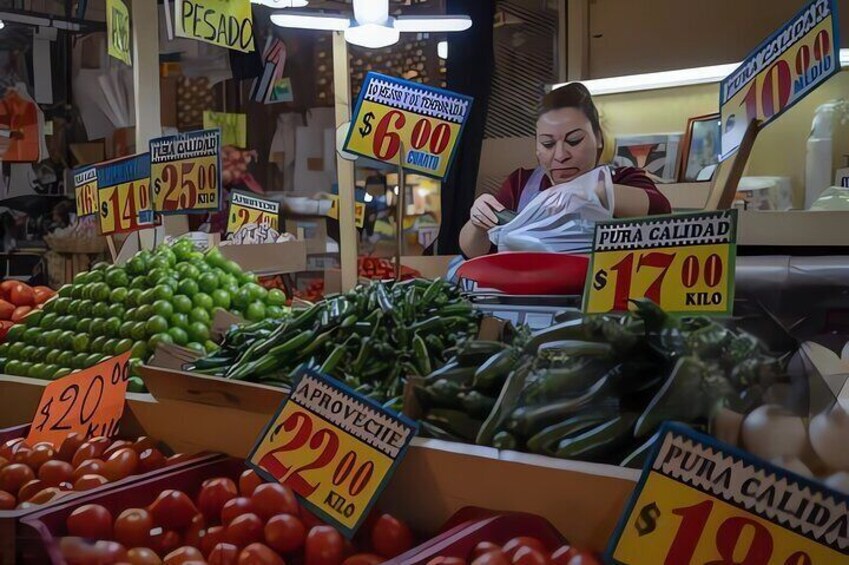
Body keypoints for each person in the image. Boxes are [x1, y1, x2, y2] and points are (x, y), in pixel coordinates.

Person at [459, 83, 671, 258]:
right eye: (548, 144)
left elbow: (661, 210)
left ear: (597, 138)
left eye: (574, 140)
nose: (560, 155)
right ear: (536, 147)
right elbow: (473, 253)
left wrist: (588, 192)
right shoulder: (521, 184)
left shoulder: (623, 178)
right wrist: (477, 222)